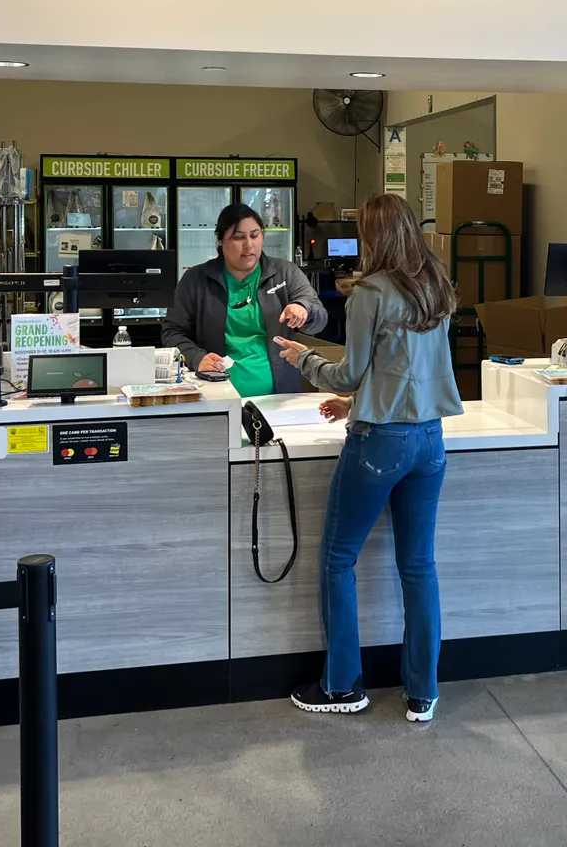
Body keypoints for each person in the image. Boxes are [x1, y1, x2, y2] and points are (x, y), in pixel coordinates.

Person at [274, 193, 462, 723]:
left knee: (338, 559)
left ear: (373, 237)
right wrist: (359, 400)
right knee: (419, 566)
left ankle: (342, 686)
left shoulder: (370, 294)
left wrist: (304, 357)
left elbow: (348, 371)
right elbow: (408, 369)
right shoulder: (435, 288)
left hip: (380, 443)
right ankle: (422, 694)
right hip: (429, 441)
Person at [163, 202, 326, 397]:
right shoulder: (196, 280)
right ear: (220, 240)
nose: (249, 244)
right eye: (238, 237)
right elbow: (172, 332)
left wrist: (303, 308)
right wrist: (198, 358)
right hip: (215, 396)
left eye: (255, 235)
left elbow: (319, 319)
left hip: (280, 396)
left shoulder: (285, 273)